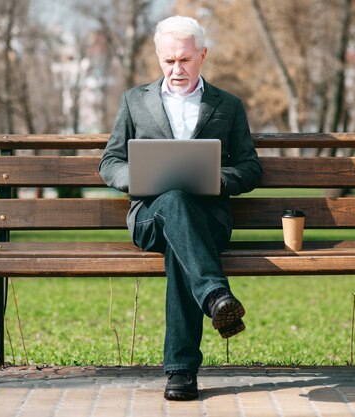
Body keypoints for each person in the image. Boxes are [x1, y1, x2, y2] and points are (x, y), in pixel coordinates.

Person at [99, 15, 262, 401]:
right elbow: (110, 161)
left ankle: (182, 373)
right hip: (150, 218)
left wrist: (222, 179)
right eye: (169, 60)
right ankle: (214, 298)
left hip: (209, 221)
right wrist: (134, 177)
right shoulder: (134, 102)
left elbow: (250, 166)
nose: (177, 69)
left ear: (202, 55)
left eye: (185, 60)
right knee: (172, 202)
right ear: (159, 58)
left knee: (182, 245)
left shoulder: (227, 106)